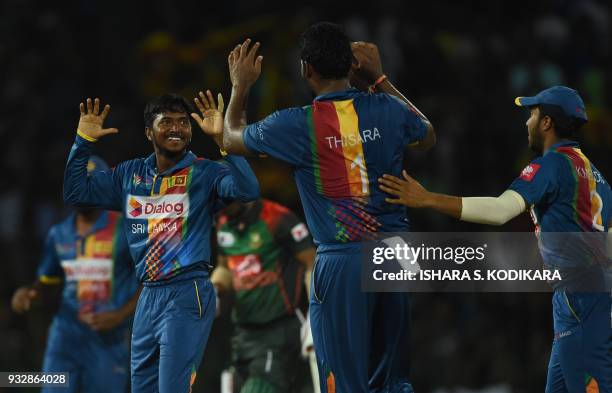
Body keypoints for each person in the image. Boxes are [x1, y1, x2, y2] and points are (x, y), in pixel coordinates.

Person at [217, 22, 436, 392]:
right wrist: (379, 78)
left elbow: (229, 136)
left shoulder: (294, 124)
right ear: (352, 65)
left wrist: (240, 86)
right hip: (396, 253)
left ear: (306, 69)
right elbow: (428, 134)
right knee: (393, 379)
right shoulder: (387, 107)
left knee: (343, 381)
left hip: (344, 259)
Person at [378, 86, 612, 393]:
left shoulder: (551, 164)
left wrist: (428, 199)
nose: (527, 122)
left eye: (532, 114)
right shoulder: (596, 175)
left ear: (547, 123)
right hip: (589, 294)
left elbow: (501, 210)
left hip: (580, 296)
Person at [63, 93, 260, 392]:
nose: (176, 128)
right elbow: (76, 193)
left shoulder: (205, 173)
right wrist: (82, 142)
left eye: (183, 122)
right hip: (148, 296)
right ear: (148, 132)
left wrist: (225, 141)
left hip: (187, 291)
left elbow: (247, 191)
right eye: (166, 122)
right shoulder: (130, 175)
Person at [12, 156, 140, 393]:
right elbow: (46, 283)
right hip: (64, 338)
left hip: (109, 341)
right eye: (77, 182)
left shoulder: (126, 228)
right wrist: (29, 294)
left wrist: (120, 316)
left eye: (90, 183)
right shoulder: (58, 234)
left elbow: (149, 281)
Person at [212, 198, 316, 393]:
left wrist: (316, 313)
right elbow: (225, 267)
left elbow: (312, 263)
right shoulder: (223, 221)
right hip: (242, 334)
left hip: (278, 332)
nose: (220, 206)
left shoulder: (277, 217)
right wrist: (213, 291)